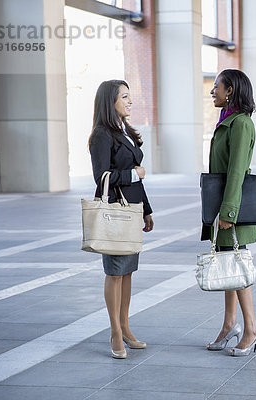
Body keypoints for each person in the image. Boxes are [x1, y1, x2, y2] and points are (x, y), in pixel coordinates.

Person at [88, 80, 154, 359]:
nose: (130, 101)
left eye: (130, 96)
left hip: (132, 209)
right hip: (114, 211)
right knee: (114, 271)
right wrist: (132, 174)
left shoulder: (124, 131)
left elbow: (136, 175)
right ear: (109, 101)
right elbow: (101, 176)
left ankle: (125, 327)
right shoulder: (101, 135)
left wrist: (147, 210)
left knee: (127, 271)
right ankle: (115, 331)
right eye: (124, 97)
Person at [203, 69, 256, 356]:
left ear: (231, 91)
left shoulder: (241, 124)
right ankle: (230, 324)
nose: (213, 91)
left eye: (217, 87)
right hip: (223, 203)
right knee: (229, 263)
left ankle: (252, 329)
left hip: (232, 207)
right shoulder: (227, 120)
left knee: (237, 266)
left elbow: (237, 170)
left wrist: (228, 212)